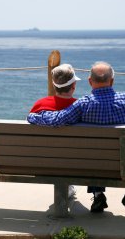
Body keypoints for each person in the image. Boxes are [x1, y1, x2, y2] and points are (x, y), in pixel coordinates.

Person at [27, 61, 125, 216]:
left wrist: (34, 116)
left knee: (94, 153)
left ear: (90, 81)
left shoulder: (83, 104)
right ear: (112, 81)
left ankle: (98, 195)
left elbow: (57, 120)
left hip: (94, 164)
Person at [29, 63, 81, 198]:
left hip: (44, 161)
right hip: (77, 162)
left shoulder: (40, 104)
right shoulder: (80, 106)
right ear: (73, 86)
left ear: (54, 85)